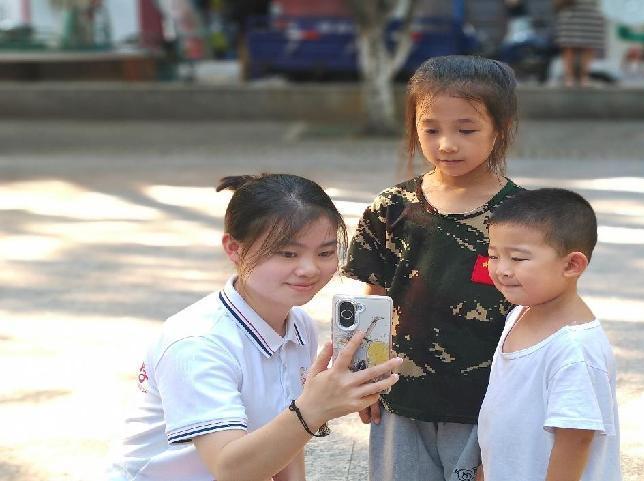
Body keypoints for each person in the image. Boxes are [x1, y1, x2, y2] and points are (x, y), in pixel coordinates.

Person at [108, 173, 403, 481]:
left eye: (325, 253)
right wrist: (314, 407)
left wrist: (310, 409)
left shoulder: (297, 325)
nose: (309, 269)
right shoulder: (197, 343)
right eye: (287, 253)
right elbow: (229, 469)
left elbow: (287, 438)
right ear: (234, 249)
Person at [342, 55, 523, 481]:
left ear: (500, 128)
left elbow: (537, 309)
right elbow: (375, 299)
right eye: (431, 129)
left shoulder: (522, 215)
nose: (447, 144)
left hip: (487, 403)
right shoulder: (392, 208)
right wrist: (365, 379)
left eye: (466, 130)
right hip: (401, 399)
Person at [478, 188, 621, 481]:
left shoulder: (574, 349)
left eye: (518, 258)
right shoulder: (520, 313)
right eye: (493, 255)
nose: (501, 269)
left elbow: (576, 438)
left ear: (571, 265)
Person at [554, 0, 607, 87]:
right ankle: (569, 77)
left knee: (589, 45)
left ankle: (584, 76)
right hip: (570, 11)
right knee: (569, 45)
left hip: (590, 11)